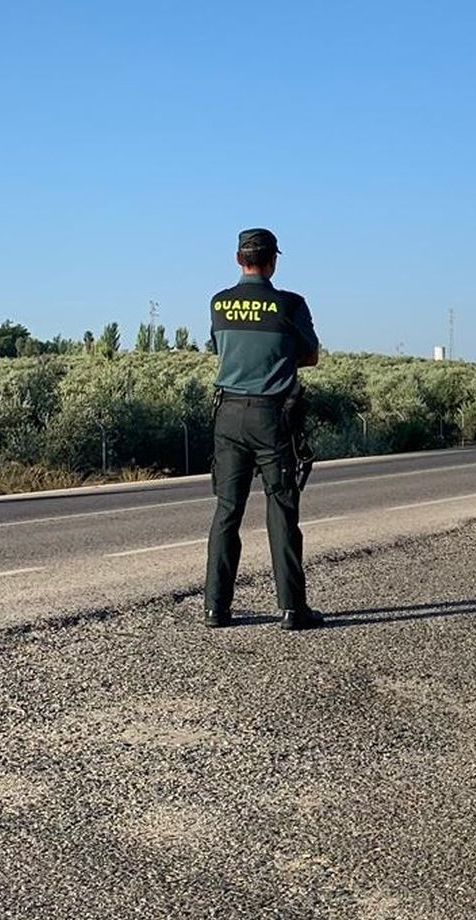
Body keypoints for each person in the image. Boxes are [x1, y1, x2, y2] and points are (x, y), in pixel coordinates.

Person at [203, 227, 322, 630]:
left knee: (227, 512)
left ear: (239, 260)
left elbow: (219, 349)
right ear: (272, 261)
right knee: (282, 510)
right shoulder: (290, 305)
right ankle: (292, 609)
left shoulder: (219, 304)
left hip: (228, 416)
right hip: (272, 418)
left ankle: (215, 609)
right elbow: (311, 356)